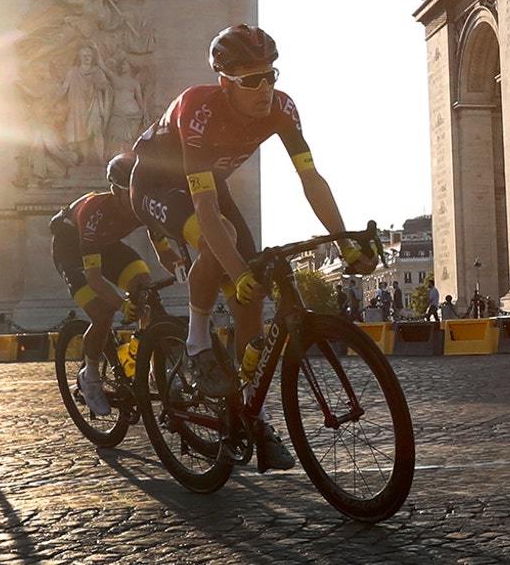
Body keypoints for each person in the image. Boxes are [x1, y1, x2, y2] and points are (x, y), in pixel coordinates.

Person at [130, 24, 374, 472]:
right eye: (251, 80)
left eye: (271, 75)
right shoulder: (197, 108)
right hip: (155, 182)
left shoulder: (282, 108)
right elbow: (203, 208)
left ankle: (253, 415)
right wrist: (235, 270)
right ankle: (197, 342)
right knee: (218, 240)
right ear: (225, 83)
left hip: (208, 183)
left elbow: (311, 179)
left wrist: (344, 240)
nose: (265, 88)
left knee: (253, 294)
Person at [48, 153, 186, 417]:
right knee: (103, 312)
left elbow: (164, 253)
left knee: (144, 287)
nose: (137, 199)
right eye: (130, 193)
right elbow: (95, 278)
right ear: (115, 190)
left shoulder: (142, 206)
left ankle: (146, 360)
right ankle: (89, 377)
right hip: (71, 250)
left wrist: (185, 270)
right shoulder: (93, 211)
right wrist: (122, 305)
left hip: (107, 245)